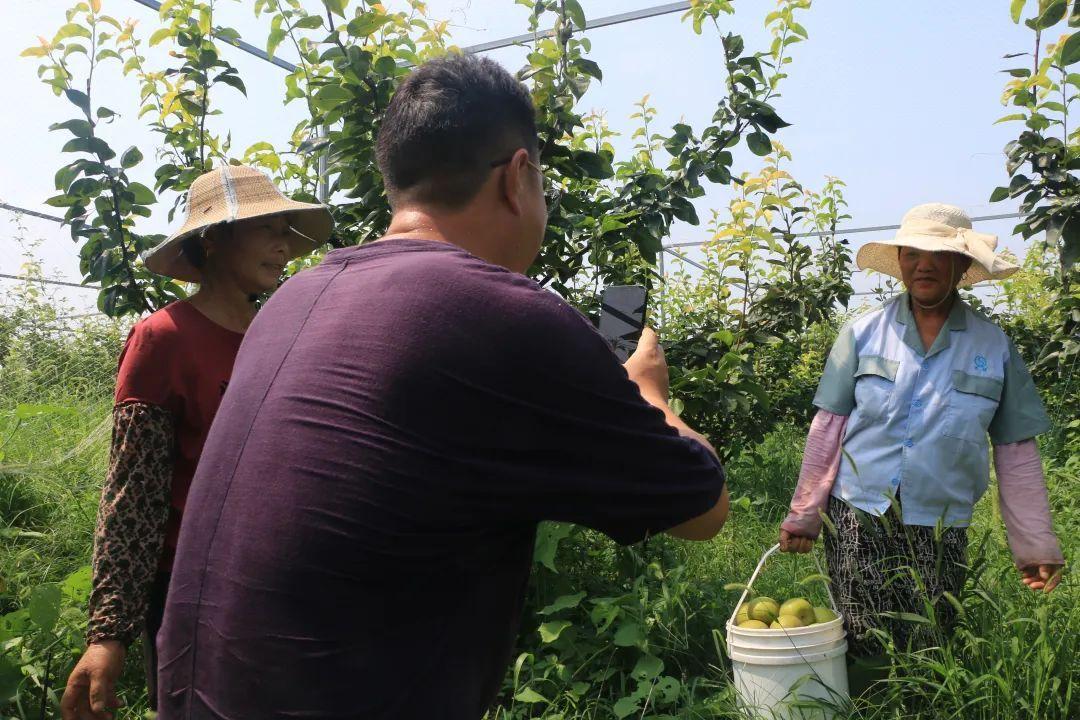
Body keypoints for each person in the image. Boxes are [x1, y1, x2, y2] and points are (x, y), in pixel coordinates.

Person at [155, 55, 729, 718]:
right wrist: (647, 390)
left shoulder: (290, 301)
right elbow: (700, 506)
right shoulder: (510, 315)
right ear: (519, 177)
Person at [61, 165, 333, 720]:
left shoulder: (280, 335)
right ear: (213, 239)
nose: (284, 246)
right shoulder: (163, 339)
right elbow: (132, 497)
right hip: (191, 586)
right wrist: (108, 632)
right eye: (268, 229)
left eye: (287, 230)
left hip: (274, 579)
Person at [778, 203, 1065, 683]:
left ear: (961, 266)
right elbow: (828, 428)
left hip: (941, 520)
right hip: (859, 511)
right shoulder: (862, 333)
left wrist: (1035, 545)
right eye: (912, 253)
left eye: (938, 254)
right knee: (860, 635)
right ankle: (867, 708)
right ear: (901, 261)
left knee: (932, 639)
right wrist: (805, 512)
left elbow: (1017, 454)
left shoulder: (993, 346)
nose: (923, 264)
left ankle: (920, 705)